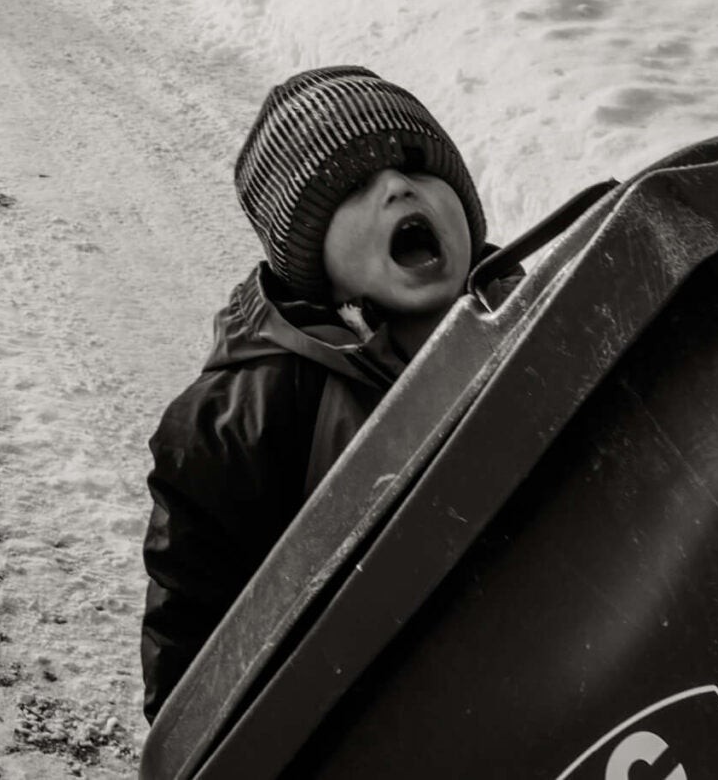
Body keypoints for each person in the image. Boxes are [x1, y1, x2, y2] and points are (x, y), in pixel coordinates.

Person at [140, 65, 486, 722]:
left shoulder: (550, 320)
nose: (396, 186)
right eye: (353, 187)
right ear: (312, 259)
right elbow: (196, 668)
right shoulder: (242, 422)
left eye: (420, 166)